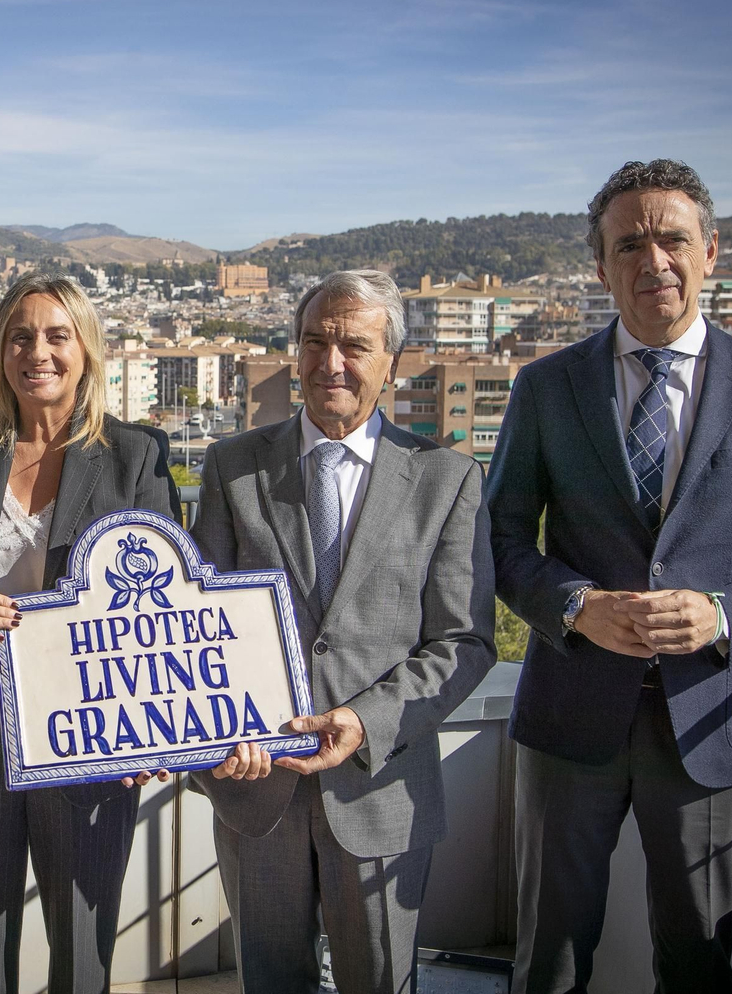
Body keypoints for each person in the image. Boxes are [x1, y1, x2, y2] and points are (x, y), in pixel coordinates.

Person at [487, 159, 732, 994]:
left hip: (712, 722)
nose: (653, 260)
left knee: (696, 958)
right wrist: (575, 606)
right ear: (601, 266)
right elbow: (499, 540)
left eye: (673, 240)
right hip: (571, 715)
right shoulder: (546, 387)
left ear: (710, 251)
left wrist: (722, 614)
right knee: (548, 957)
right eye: (629, 244)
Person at [189, 270, 497, 994]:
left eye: (354, 346)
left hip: (380, 786)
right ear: (295, 351)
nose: (332, 363)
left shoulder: (447, 478)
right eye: (315, 342)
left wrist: (365, 721)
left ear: (392, 362)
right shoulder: (233, 467)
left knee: (380, 981)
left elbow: (465, 641)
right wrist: (219, 731)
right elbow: (198, 628)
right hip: (255, 786)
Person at [0, 272, 180, 994]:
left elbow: (169, 608)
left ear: (86, 350)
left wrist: (154, 729)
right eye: (20, 337)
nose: (37, 353)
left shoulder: (136, 455)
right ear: (0, 352)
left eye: (57, 336)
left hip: (90, 734)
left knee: (82, 950)